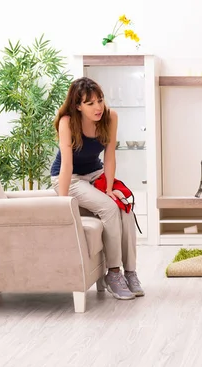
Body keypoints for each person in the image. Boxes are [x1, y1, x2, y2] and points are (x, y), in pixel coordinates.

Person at [50, 77, 144, 301]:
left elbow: (110, 156)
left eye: (100, 100)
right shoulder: (67, 122)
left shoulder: (110, 117)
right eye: (90, 103)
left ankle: (130, 272)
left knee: (124, 208)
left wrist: (109, 187)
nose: (98, 107)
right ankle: (113, 274)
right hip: (70, 178)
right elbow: (66, 164)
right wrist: (64, 203)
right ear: (77, 105)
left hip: (96, 174)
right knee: (110, 209)